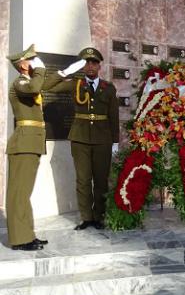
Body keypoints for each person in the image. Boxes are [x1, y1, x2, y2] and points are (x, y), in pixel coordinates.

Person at [42, 47, 119, 230]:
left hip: (102, 139)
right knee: (83, 180)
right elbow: (46, 87)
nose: (90, 66)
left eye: (94, 63)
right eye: (86, 63)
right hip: (80, 138)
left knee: (101, 180)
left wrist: (115, 141)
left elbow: (113, 115)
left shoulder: (108, 88)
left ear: (99, 66)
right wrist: (65, 72)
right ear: (82, 66)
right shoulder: (75, 84)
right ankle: (86, 217)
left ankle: (99, 216)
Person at [5, 44, 52, 250]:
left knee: (24, 192)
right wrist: (40, 70)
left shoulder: (31, 81)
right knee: (18, 193)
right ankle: (19, 239)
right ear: (22, 65)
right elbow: (34, 88)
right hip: (23, 143)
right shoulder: (20, 83)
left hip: (31, 143)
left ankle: (27, 234)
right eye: (31, 60)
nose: (35, 63)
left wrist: (60, 73)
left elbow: (43, 85)